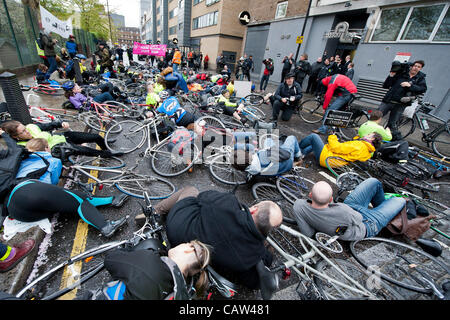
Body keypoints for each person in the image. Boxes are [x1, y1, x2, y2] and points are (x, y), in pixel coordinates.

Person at [149, 186, 283, 292]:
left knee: (191, 190)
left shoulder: (227, 203)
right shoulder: (253, 255)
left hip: (177, 226)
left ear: (254, 209)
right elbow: (253, 279)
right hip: (194, 257)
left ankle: (154, 212)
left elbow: (202, 197)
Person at [90, 240, 211, 300]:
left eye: (185, 243)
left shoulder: (148, 262)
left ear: (189, 248)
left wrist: (129, 252)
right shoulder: (182, 294)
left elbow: (110, 260)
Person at [5, 179, 129, 238]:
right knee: (78, 201)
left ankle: (112, 200)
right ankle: (105, 226)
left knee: (73, 197)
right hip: (26, 194)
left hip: (18, 208)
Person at [292, 178, 406, 240]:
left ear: (310, 195)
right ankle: (383, 215)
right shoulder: (342, 210)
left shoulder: (299, 206)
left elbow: (307, 233)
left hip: (350, 209)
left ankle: (382, 211)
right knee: (400, 200)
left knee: (373, 182)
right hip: (367, 224)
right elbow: (358, 218)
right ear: (331, 198)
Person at [1, 119, 121, 159]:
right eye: (23, 132)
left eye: (24, 128)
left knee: (94, 136)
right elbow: (15, 151)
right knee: (89, 151)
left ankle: (105, 145)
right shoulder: (21, 145)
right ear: (15, 136)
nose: (27, 131)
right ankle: (107, 154)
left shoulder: (31, 126)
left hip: (62, 137)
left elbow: (47, 125)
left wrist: (60, 123)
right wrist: (5, 136)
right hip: (60, 149)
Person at [379, 60, 427, 141]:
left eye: (419, 67)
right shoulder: (402, 73)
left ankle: (385, 139)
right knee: (376, 117)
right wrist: (391, 76)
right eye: (415, 66)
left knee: (392, 124)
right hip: (389, 100)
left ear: (420, 68)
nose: (416, 68)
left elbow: (422, 89)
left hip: (400, 104)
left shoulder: (420, 78)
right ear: (412, 66)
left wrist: (410, 85)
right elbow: (386, 85)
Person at [233, 133, 303, 177]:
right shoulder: (261, 156)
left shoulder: (250, 170)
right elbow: (280, 153)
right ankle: (298, 157)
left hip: (275, 170)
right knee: (292, 137)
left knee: (268, 141)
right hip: (287, 162)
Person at [298, 132, 382, 168]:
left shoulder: (359, 145)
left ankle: (297, 149)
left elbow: (336, 148)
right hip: (335, 162)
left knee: (314, 136)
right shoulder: (367, 150)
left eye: (368, 134)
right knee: (315, 144)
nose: (366, 135)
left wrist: (332, 136)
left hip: (327, 159)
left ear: (372, 138)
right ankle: (302, 154)